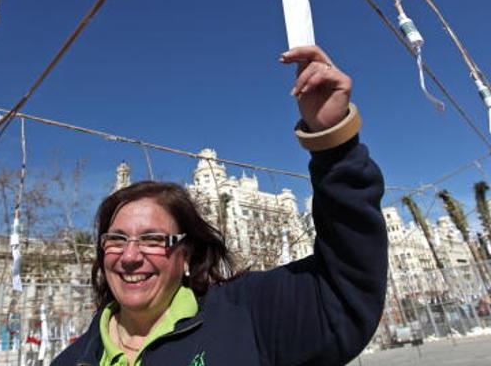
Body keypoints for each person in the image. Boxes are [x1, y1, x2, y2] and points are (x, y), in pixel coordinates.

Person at [52, 46, 388, 366]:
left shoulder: (249, 315)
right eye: (117, 239)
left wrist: (332, 141)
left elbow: (343, 293)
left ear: (187, 255)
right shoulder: (72, 359)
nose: (130, 256)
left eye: (154, 239)